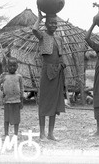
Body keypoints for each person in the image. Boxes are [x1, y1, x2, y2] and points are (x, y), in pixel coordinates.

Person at [32, 10, 66, 141]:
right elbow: (34, 30)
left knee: (54, 103)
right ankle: (42, 133)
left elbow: (60, 56)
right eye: (51, 23)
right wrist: (40, 18)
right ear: (46, 25)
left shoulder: (59, 39)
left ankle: (51, 133)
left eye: (55, 23)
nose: (53, 25)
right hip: (47, 72)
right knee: (44, 102)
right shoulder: (43, 36)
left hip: (57, 73)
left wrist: (62, 64)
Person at [0, 57, 24, 137]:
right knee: (6, 119)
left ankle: (15, 134)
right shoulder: (4, 76)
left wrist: (22, 101)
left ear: (17, 66)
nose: (12, 67)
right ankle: (6, 134)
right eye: (10, 66)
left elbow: (22, 89)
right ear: (7, 67)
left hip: (16, 101)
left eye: (14, 65)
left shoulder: (19, 76)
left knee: (16, 119)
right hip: (7, 101)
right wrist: (1, 93)